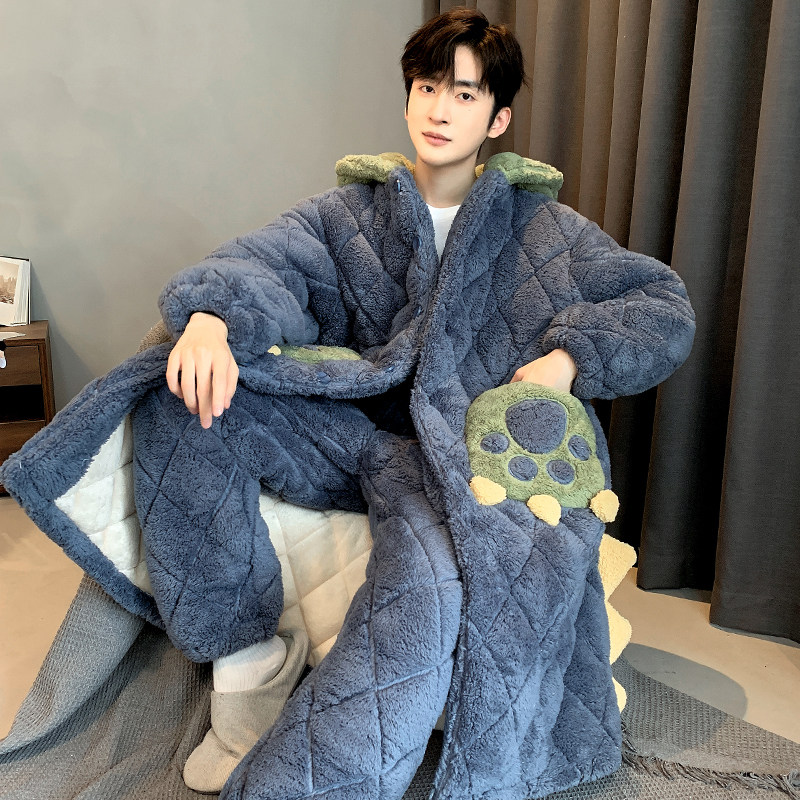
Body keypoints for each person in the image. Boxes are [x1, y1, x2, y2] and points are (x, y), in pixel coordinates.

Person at [127, 6, 695, 798]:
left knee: (423, 591)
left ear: (497, 118)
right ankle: (245, 657)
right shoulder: (350, 212)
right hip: (349, 427)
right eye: (428, 88)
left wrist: (568, 357)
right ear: (406, 100)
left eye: (464, 94)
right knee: (181, 399)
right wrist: (212, 318)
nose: (439, 109)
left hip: (456, 458)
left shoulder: (548, 230)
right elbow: (264, 264)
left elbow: (662, 308)